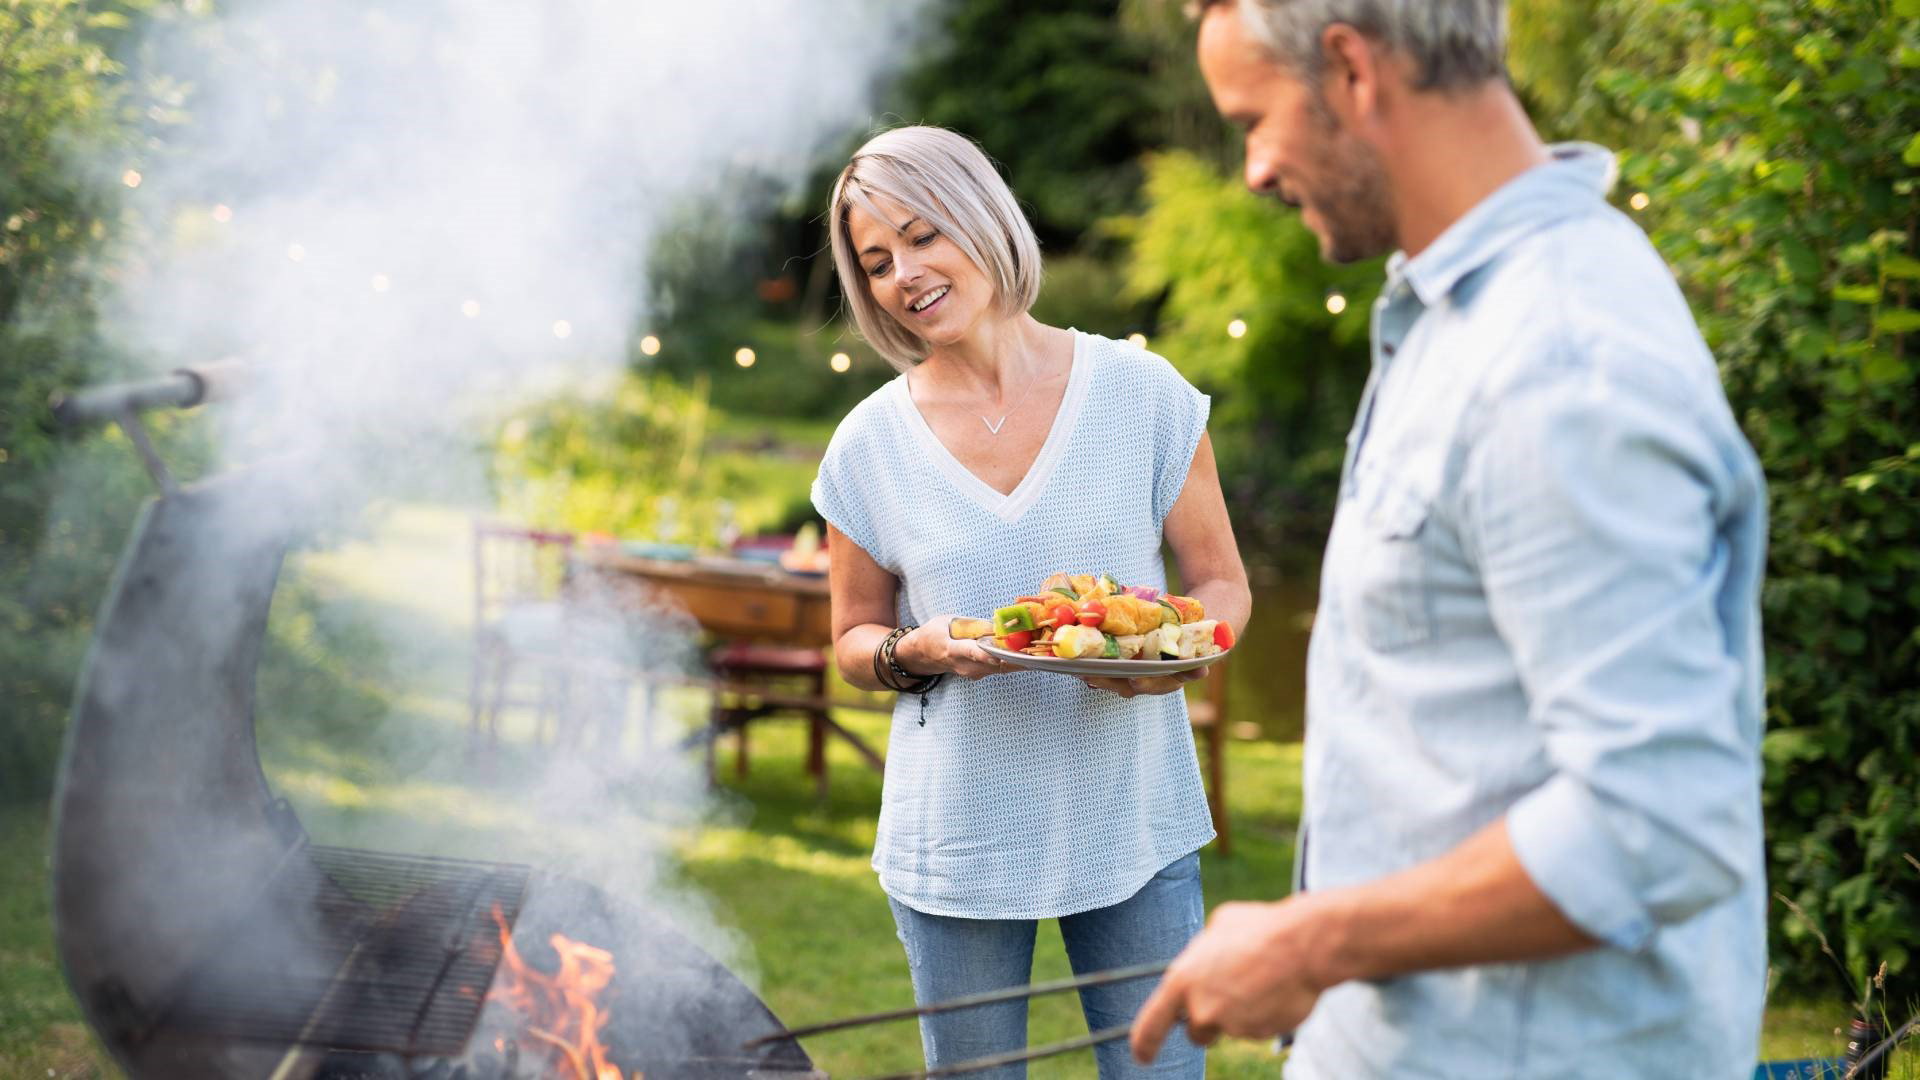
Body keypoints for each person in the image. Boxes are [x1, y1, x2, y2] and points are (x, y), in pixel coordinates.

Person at [1129, 2, 1769, 1077]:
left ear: (1349, 71)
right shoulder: (1458, 315)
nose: (1250, 169)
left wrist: (1312, 937)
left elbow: (1658, 819)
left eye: (1253, 119)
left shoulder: (1557, 360)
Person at [811, 124, 1251, 1077]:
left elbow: (1219, 582)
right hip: (958, 838)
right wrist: (913, 651)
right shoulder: (868, 445)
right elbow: (851, 637)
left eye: (924, 235)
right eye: (877, 260)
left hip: (1132, 815)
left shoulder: (1144, 396)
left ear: (982, 218)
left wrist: (1180, 660)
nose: (904, 275)